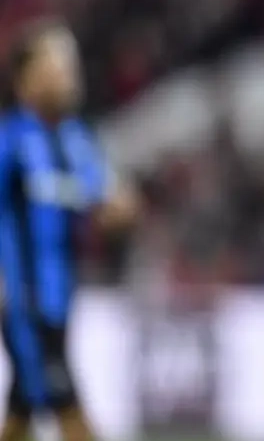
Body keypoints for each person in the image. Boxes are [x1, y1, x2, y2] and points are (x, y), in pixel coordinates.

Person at [0, 24, 140, 441]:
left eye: (71, 65)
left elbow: (105, 201)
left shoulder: (77, 140)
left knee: (22, 411)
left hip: (61, 300)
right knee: (69, 410)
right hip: (22, 302)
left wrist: (121, 210)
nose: (69, 75)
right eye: (57, 64)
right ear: (26, 78)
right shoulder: (10, 141)